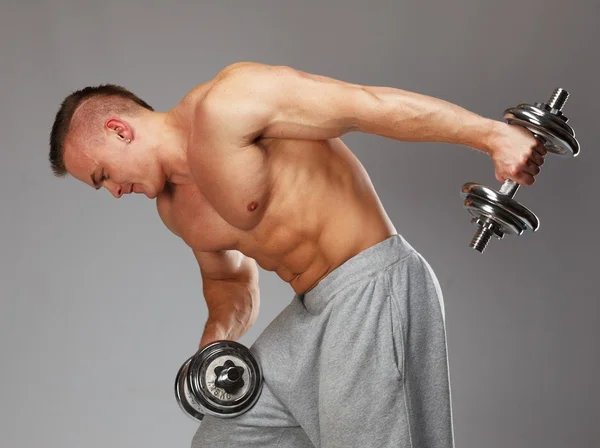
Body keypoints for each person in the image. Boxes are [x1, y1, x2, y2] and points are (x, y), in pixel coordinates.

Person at [49, 62, 546, 448]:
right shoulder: (176, 212)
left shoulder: (229, 103)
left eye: (103, 177)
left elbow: (366, 106)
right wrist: (214, 346)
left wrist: (492, 135)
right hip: (310, 315)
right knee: (225, 440)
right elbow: (229, 285)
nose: (113, 193)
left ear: (119, 130)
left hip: (367, 284)